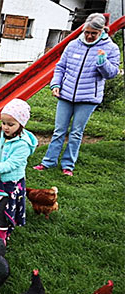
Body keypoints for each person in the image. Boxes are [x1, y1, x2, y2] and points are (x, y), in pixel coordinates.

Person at [33, 13, 120, 176]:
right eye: (87, 32)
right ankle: (48, 162)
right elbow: (60, 67)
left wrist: (102, 63)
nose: (89, 36)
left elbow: (112, 73)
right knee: (59, 130)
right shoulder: (73, 44)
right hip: (66, 95)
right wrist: (56, 84)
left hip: (88, 98)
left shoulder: (111, 48)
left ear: (102, 31)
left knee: (76, 133)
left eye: (93, 33)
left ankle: (68, 166)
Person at [0, 99, 38, 244]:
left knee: (1, 213)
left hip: (10, 184)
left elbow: (9, 165)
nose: (6, 127)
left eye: (11, 124)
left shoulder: (23, 145)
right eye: (3, 123)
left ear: (21, 124)